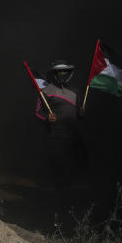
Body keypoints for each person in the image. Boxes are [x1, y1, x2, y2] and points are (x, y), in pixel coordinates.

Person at [34, 60, 86, 195]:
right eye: (59, 71)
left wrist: (81, 114)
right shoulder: (46, 91)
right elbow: (37, 112)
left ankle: (70, 192)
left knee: (75, 161)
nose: (62, 74)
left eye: (65, 71)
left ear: (69, 73)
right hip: (55, 134)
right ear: (54, 74)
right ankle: (58, 193)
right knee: (57, 162)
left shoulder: (75, 91)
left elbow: (79, 115)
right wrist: (47, 118)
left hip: (73, 134)